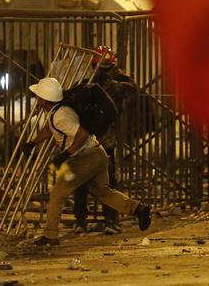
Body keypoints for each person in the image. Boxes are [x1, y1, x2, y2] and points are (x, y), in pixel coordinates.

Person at [22, 77, 151, 246]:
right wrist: (33, 142)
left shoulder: (60, 116)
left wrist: (65, 154)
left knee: (58, 193)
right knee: (103, 192)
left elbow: (81, 134)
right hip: (98, 154)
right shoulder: (58, 111)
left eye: (38, 96)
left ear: (45, 99)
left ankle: (50, 235)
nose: (36, 99)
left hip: (86, 158)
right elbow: (49, 128)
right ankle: (138, 208)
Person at [73, 45, 139, 235]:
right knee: (108, 184)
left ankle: (80, 221)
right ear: (112, 68)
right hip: (106, 143)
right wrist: (120, 73)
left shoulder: (84, 85)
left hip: (85, 141)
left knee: (81, 182)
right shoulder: (117, 86)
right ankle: (110, 220)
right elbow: (135, 88)